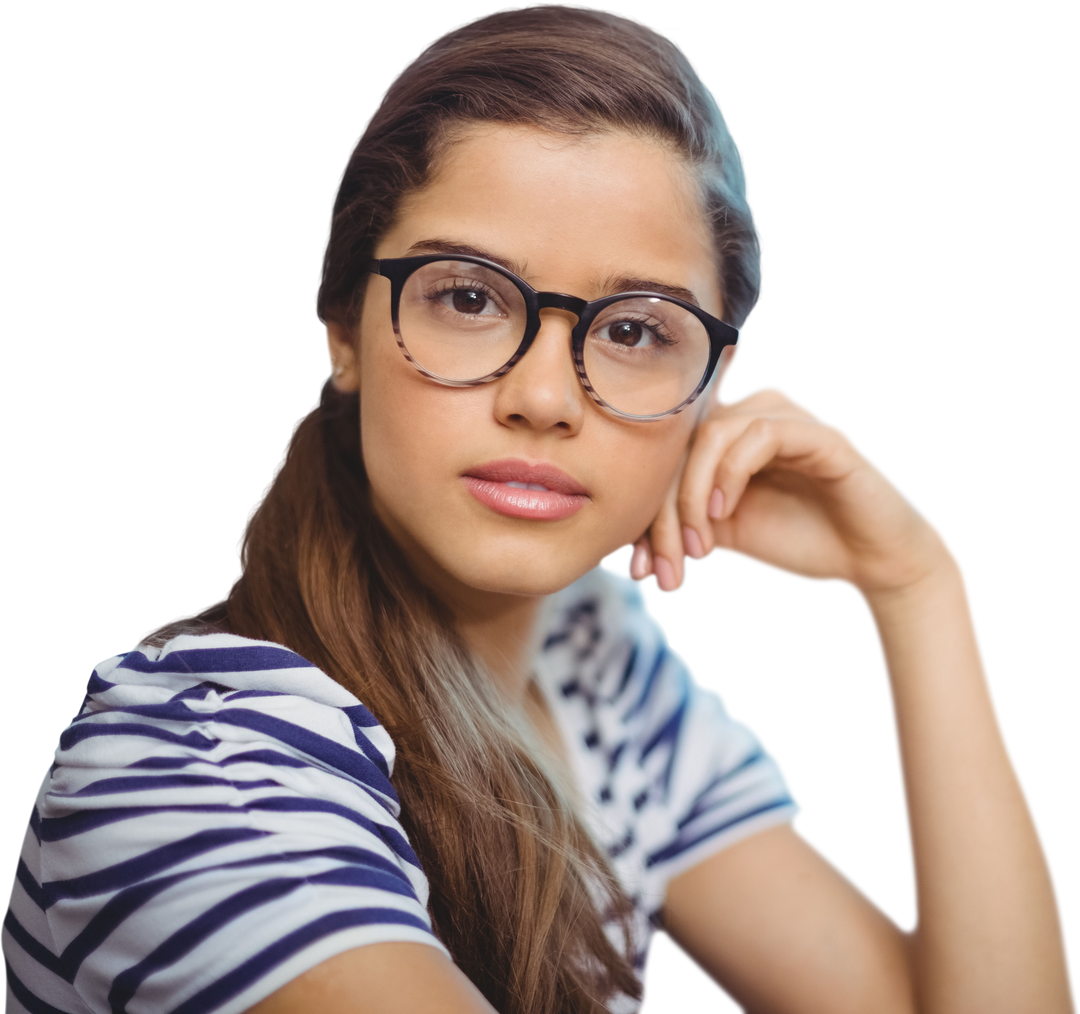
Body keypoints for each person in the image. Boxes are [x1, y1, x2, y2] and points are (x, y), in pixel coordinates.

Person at [2, 4, 1074, 1013]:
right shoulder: (195, 764)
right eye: (468, 298)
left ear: (713, 383)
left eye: (635, 330)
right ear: (341, 324)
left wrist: (917, 584)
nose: (546, 399)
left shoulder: (600, 670)